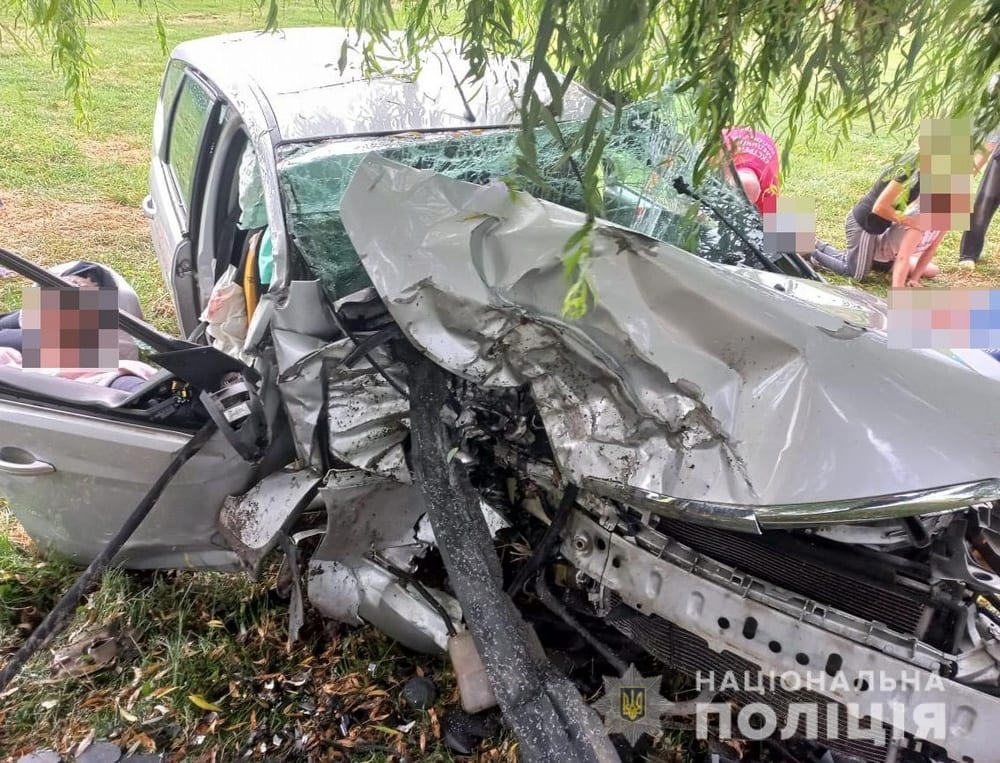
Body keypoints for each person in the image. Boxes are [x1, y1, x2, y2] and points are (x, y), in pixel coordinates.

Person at [810, 158, 943, 286]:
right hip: (865, 224)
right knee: (856, 274)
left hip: (877, 227)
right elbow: (879, 208)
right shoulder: (908, 174)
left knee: (853, 261)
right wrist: (909, 221)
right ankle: (807, 251)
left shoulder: (921, 173)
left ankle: (816, 244)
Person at [721, 126, 780, 214]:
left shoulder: (768, 191)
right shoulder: (722, 155)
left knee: (799, 221)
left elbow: (772, 221)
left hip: (766, 145)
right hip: (733, 136)